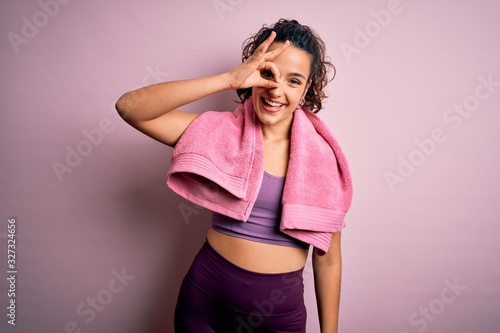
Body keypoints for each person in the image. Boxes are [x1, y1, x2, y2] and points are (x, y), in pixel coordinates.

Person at [116, 19, 352, 333]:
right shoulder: (219, 134)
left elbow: (328, 259)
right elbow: (130, 107)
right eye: (268, 73)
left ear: (306, 88)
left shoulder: (323, 160)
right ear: (253, 72)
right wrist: (228, 79)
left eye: (294, 81)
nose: (276, 90)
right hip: (203, 305)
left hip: (278, 321)